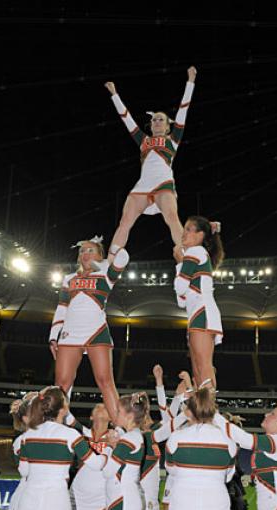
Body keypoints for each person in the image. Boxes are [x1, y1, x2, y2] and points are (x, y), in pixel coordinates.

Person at [104, 67, 197, 258]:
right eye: (153, 120)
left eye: (160, 120)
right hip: (143, 186)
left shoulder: (173, 139)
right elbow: (126, 118)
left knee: (172, 217)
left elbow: (184, 109)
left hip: (164, 184)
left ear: (168, 124)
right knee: (125, 221)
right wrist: (114, 94)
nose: (156, 122)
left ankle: (187, 258)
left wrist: (190, 82)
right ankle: (110, 262)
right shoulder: (143, 140)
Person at [49, 236, 128, 423]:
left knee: (105, 381)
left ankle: (120, 428)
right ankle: (57, 428)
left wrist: (102, 264)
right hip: (70, 334)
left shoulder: (106, 276)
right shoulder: (69, 279)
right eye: (82, 251)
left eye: (91, 250)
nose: (86, 253)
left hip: (97, 331)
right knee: (61, 385)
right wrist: (53, 336)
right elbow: (62, 307)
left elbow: (123, 256)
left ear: (100, 255)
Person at [173, 215, 224, 388]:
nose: (183, 233)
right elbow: (181, 301)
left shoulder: (195, 252)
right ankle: (202, 412)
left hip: (202, 313)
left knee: (203, 368)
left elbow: (180, 288)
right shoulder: (195, 254)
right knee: (198, 371)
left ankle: (208, 413)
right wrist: (180, 264)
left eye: (188, 229)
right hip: (197, 314)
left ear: (200, 235)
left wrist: (180, 263)